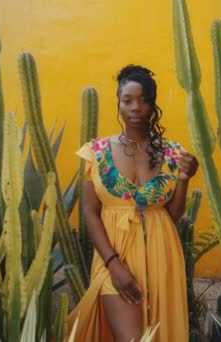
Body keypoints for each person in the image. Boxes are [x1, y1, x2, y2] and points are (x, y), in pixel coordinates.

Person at [67, 65, 199, 341]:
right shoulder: (98, 152)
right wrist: (114, 265)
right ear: (119, 103)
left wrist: (184, 178)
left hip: (161, 257)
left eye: (143, 100)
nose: (135, 107)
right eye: (127, 100)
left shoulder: (172, 152)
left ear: (152, 104)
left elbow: (171, 215)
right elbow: (90, 212)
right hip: (113, 257)